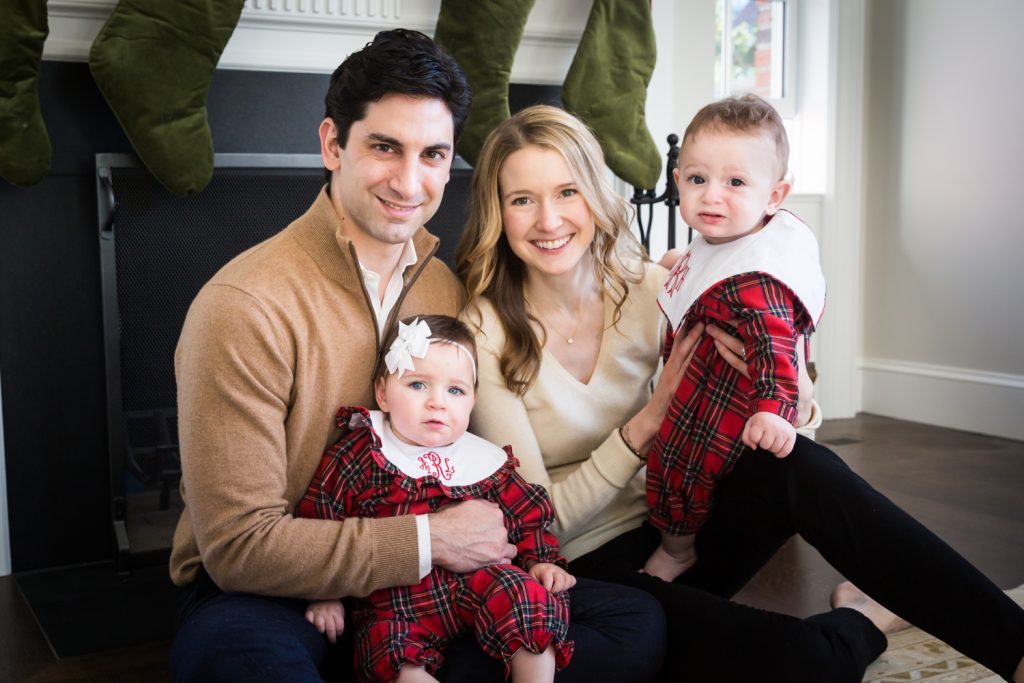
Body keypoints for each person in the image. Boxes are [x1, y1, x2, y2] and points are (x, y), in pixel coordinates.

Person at [456, 103, 1024, 683]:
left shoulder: (656, 287)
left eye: (567, 192)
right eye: (522, 199)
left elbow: (787, 425)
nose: (549, 219)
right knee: (808, 664)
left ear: (596, 197)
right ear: (499, 213)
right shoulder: (484, 331)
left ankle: (1017, 648)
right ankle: (864, 615)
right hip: (590, 567)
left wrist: (792, 387)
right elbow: (538, 523)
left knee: (801, 466)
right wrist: (645, 424)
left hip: (684, 521)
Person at [170, 30, 663, 683]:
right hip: (277, 592)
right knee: (242, 663)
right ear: (332, 144)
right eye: (384, 147)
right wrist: (430, 539)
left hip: (429, 591)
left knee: (633, 624)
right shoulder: (244, 305)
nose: (409, 181)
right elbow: (238, 546)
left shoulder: (446, 293)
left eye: (433, 154)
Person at [297, 315, 574, 682]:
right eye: (417, 385)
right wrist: (325, 592)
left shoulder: (482, 461)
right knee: (388, 646)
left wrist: (540, 561)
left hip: (480, 581)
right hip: (395, 600)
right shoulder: (363, 453)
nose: (437, 403)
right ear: (383, 393)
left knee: (526, 595)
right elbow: (321, 516)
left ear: (473, 400)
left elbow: (526, 518)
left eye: (455, 391)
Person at [643, 94, 827, 582]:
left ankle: (678, 550)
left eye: (736, 182)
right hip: (703, 392)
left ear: (775, 196)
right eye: (697, 179)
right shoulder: (725, 238)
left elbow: (775, 346)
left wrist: (774, 408)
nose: (712, 196)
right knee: (678, 470)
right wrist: (678, 264)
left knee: (680, 470)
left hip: (725, 408)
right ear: (678, 180)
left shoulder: (758, 274)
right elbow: (705, 266)